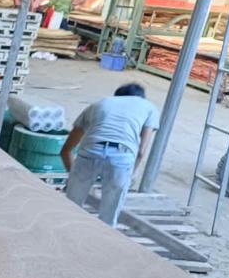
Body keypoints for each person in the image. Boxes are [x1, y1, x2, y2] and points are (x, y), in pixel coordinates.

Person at [60, 83, 160, 227]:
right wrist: (130, 175)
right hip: (122, 156)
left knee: (70, 209)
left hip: (89, 151)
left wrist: (74, 177)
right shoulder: (148, 107)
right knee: (108, 218)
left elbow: (66, 150)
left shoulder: (99, 104)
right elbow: (141, 151)